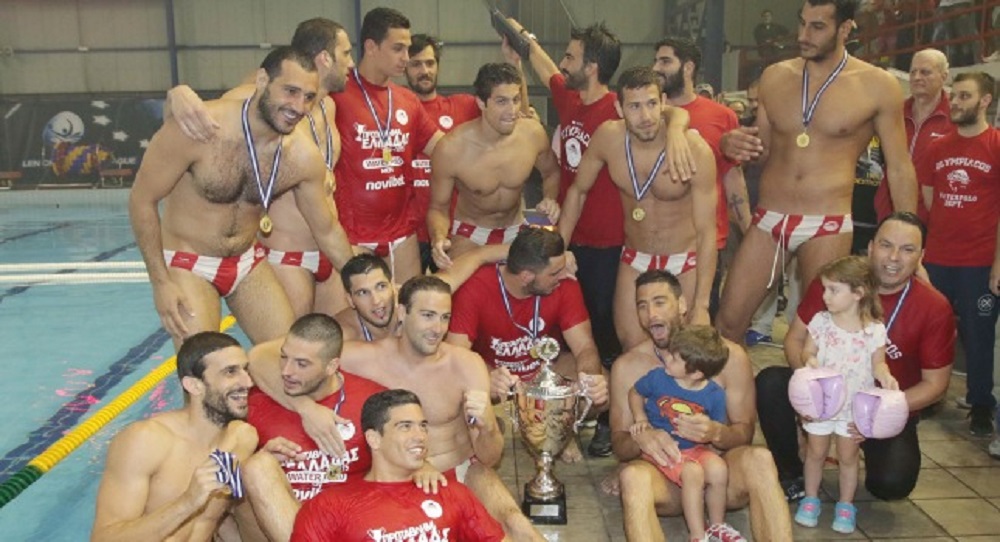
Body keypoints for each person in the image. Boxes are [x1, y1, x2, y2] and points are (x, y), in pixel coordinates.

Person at [249, 276, 545, 541]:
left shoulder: (466, 364)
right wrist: (305, 407)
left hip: (462, 469)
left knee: (518, 525)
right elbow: (261, 356)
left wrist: (488, 425)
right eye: (427, 315)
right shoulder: (365, 358)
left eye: (445, 317)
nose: (437, 328)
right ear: (402, 313)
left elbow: (490, 457)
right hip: (400, 480)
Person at [715, 0, 918, 346]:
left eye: (818, 26)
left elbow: (898, 166)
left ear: (845, 29)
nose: (803, 35)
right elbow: (762, 150)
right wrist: (730, 144)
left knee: (822, 336)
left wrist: (909, 234)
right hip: (770, 217)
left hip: (828, 220)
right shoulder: (775, 76)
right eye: (802, 23)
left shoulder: (878, 85)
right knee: (728, 323)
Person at [129, 46, 354, 347]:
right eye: (290, 91)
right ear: (262, 81)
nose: (299, 106)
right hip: (188, 261)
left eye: (308, 97)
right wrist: (161, 283)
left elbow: (326, 230)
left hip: (247, 260)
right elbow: (141, 201)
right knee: (203, 365)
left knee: (287, 355)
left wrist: (359, 281)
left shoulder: (301, 156)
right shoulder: (202, 130)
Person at [760, 212, 955, 502]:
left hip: (880, 405)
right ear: (871, 246)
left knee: (892, 483)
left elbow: (936, 385)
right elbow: (795, 339)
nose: (894, 257)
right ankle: (793, 474)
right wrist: (810, 392)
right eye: (886, 245)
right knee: (770, 382)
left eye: (907, 249)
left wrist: (878, 413)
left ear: (921, 256)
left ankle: (853, 476)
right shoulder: (835, 283)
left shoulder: (934, 307)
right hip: (826, 390)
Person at [611, 270, 792, 541]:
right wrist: (642, 436)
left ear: (682, 304)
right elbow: (619, 445)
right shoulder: (628, 366)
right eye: (642, 306)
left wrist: (716, 432)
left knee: (760, 459)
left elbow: (744, 431)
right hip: (668, 475)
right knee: (632, 477)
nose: (651, 315)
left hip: (718, 475)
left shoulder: (730, 357)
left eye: (660, 302)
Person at [559, 66, 718, 349]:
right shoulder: (608, 138)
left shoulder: (694, 149)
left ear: (664, 103)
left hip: (684, 260)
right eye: (634, 106)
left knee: (686, 349)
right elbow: (577, 192)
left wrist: (702, 304)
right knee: (632, 346)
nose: (645, 116)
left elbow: (708, 231)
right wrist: (558, 250)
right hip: (635, 258)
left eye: (652, 104)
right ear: (619, 108)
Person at [92, 332, 258, 541]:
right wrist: (187, 502)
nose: (248, 382)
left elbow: (215, 520)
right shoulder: (146, 440)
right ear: (194, 385)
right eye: (230, 372)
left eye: (246, 370)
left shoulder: (242, 439)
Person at [290, 389, 508, 542]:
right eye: (405, 426)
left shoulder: (452, 493)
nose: (420, 436)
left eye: (423, 426)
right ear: (374, 439)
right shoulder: (329, 506)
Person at [333, 7, 444, 283]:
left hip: (401, 234)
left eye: (407, 49)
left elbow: (444, 149)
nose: (406, 57)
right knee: (354, 309)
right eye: (398, 49)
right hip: (352, 235)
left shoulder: (407, 100)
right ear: (371, 47)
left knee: (407, 304)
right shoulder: (336, 94)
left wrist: (489, 140)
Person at [919, 71, 1000, 436]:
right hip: (938, 259)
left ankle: (981, 403)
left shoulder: (996, 145)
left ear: (985, 101)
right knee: (930, 332)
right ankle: (927, 396)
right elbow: (930, 200)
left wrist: (998, 263)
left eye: (965, 96)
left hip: (979, 262)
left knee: (979, 335)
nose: (955, 102)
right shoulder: (937, 148)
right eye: (954, 96)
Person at [792, 256, 898, 534]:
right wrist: (809, 360)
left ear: (858, 293)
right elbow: (807, 350)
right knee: (815, 452)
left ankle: (846, 504)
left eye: (833, 290)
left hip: (853, 406)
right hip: (822, 403)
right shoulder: (821, 322)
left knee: (848, 457)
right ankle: (811, 498)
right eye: (825, 289)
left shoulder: (874, 330)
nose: (825, 296)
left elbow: (879, 363)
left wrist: (886, 376)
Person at [448, 227, 609, 407]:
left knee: (602, 387)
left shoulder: (563, 282)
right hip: (497, 373)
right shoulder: (475, 288)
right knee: (462, 384)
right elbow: (455, 354)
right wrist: (485, 377)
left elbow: (584, 346)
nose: (564, 275)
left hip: (546, 370)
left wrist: (590, 379)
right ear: (526, 277)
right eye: (554, 273)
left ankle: (561, 419)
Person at [651, 37, 751, 320]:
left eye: (665, 61)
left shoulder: (722, 116)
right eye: (655, 61)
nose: (656, 68)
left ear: (688, 68)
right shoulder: (647, 116)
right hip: (653, 241)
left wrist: (749, 230)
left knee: (698, 324)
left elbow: (732, 178)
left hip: (704, 245)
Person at [427, 62, 560, 268]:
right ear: (481, 103)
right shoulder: (451, 149)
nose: (512, 110)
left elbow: (551, 173)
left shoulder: (533, 134)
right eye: (501, 101)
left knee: (559, 270)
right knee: (459, 283)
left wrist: (549, 199)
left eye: (516, 100)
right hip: (471, 233)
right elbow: (438, 208)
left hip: (520, 225)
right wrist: (438, 238)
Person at [627, 325, 746, 542]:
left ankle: (717, 526)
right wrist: (640, 418)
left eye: (674, 358)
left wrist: (709, 433)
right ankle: (697, 535)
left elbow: (715, 428)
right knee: (693, 473)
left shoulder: (714, 395)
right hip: (663, 448)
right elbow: (635, 392)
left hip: (694, 449)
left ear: (696, 372)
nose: (667, 359)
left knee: (719, 469)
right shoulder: (657, 378)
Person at [405, 34, 482, 273]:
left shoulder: (463, 106)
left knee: (454, 293)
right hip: (408, 233)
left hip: (452, 231)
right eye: (416, 64)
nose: (424, 71)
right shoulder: (394, 110)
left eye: (430, 63)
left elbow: (510, 111)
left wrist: (516, 62)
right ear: (404, 67)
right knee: (408, 293)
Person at [334, 245, 509, 342]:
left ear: (393, 286)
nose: (376, 300)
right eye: (363, 293)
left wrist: (524, 249)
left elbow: (479, 255)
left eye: (381, 287)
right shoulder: (345, 336)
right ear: (350, 300)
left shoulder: (415, 297)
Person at [874, 48, 955, 225]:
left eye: (925, 72)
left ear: (944, 76)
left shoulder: (956, 118)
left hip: (933, 218)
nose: (917, 77)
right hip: (888, 211)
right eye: (913, 72)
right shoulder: (894, 112)